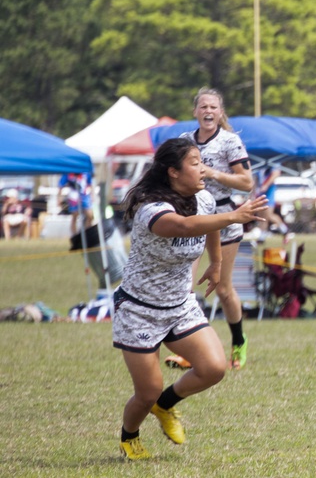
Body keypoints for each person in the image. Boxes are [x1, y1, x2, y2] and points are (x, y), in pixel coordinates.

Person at [113, 137, 266, 460]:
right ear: (173, 172)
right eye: (195, 163)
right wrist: (235, 217)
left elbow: (208, 224)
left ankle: (165, 405)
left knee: (213, 368)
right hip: (140, 309)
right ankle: (130, 436)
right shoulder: (151, 209)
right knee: (146, 391)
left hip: (180, 305)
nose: (203, 169)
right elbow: (184, 226)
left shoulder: (204, 199)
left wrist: (216, 263)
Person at [179, 88, 255, 370]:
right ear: (195, 112)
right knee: (185, 287)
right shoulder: (185, 142)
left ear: (220, 113)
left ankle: (238, 340)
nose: (208, 111)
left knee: (223, 289)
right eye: (203, 106)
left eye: (213, 107)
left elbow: (247, 182)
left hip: (224, 216)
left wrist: (212, 173)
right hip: (192, 215)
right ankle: (192, 349)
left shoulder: (229, 141)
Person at [254, 165, 291, 242]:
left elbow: (276, 173)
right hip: (260, 192)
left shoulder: (273, 161)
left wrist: (266, 185)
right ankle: (262, 236)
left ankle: (284, 230)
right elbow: (256, 178)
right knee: (261, 215)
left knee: (268, 214)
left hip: (269, 191)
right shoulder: (259, 164)